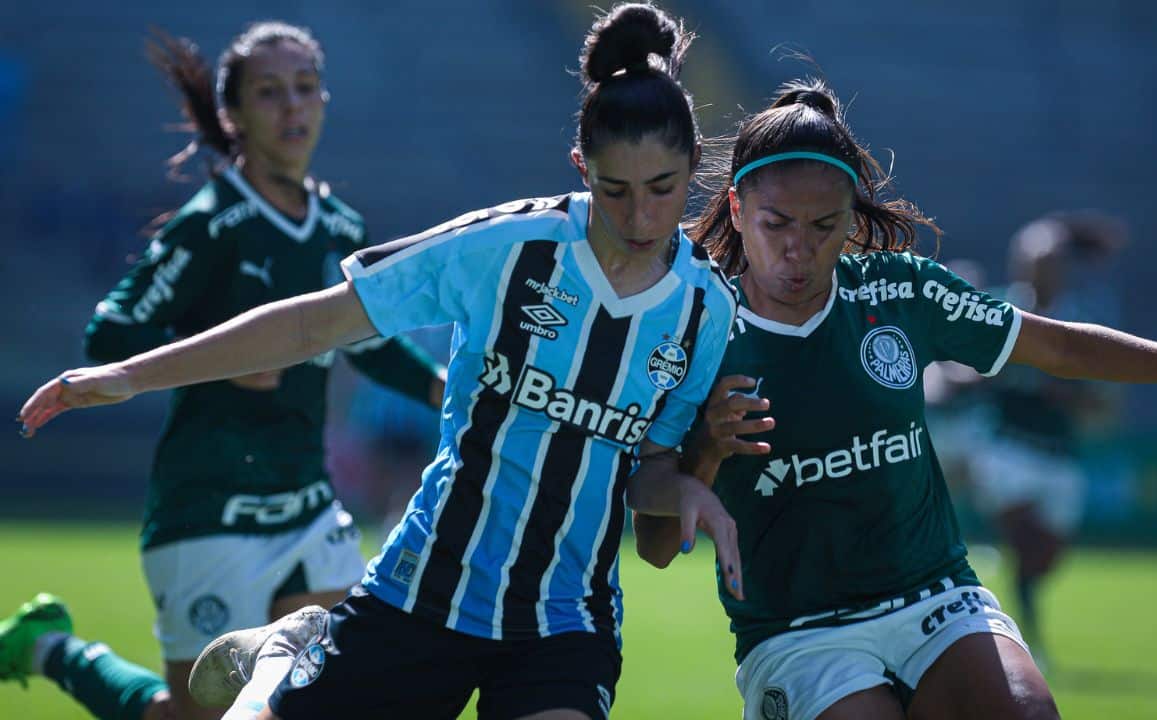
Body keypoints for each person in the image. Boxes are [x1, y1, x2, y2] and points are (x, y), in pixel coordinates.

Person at [19, 5, 742, 719]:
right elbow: (312, 323)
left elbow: (646, 466)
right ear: (581, 167)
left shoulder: (704, 309)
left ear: (694, 168)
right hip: (424, 591)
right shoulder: (509, 246)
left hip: (564, 620)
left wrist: (688, 489)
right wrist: (132, 373)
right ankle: (282, 657)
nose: (643, 218)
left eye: (664, 189)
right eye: (615, 191)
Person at [633, 79, 1157, 720]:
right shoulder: (694, 329)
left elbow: (1063, 349)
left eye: (824, 225)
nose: (799, 248)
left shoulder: (897, 293)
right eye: (776, 223)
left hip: (934, 600)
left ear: (852, 220)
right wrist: (707, 452)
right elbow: (656, 546)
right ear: (739, 209)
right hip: (800, 633)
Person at [1, 21, 445, 720]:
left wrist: (441, 389)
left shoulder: (340, 228)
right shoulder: (213, 222)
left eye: (305, 89)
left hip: (305, 504)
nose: (293, 107)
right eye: (270, 93)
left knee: (332, 699)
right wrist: (225, 361)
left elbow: (368, 340)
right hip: (209, 507)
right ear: (233, 115)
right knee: (199, 717)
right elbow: (110, 330)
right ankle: (52, 651)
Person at [953, 213, 1127, 663]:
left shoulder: (1080, 320)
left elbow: (1102, 398)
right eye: (1030, 259)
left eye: (1048, 261)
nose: (1037, 268)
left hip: (1059, 456)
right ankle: (1019, 635)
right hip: (1004, 447)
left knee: (1045, 557)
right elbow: (953, 363)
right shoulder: (995, 308)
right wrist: (971, 377)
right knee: (1025, 538)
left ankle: (1012, 599)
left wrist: (1065, 393)